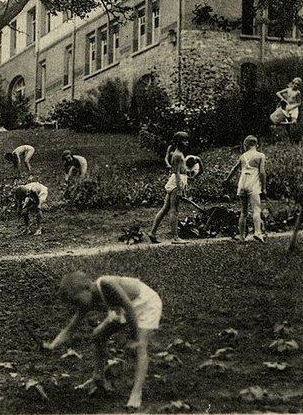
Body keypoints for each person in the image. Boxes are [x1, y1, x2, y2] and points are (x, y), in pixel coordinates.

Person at [43, 271, 162, 410]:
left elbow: (129, 307)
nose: (76, 306)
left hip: (145, 303)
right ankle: (98, 378)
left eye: (76, 301)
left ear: (87, 287)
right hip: (123, 309)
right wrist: (52, 345)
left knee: (140, 346)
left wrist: (133, 338)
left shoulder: (106, 284)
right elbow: (70, 329)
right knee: (98, 335)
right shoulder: (86, 300)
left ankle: (136, 393)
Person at [148, 132, 190, 244]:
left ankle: (152, 233)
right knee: (174, 210)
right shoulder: (177, 155)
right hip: (177, 183)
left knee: (165, 209)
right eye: (183, 140)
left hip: (177, 182)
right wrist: (180, 188)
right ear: (177, 142)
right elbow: (176, 173)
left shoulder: (179, 154)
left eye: (187, 140)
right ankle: (176, 237)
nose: (186, 143)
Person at [224, 135, 267, 243]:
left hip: (242, 184)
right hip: (253, 184)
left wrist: (227, 180)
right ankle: (257, 232)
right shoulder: (260, 156)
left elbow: (234, 169)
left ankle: (242, 237)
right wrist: (264, 187)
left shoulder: (243, 156)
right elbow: (262, 173)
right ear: (256, 144)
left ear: (245, 145)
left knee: (243, 212)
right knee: (256, 209)